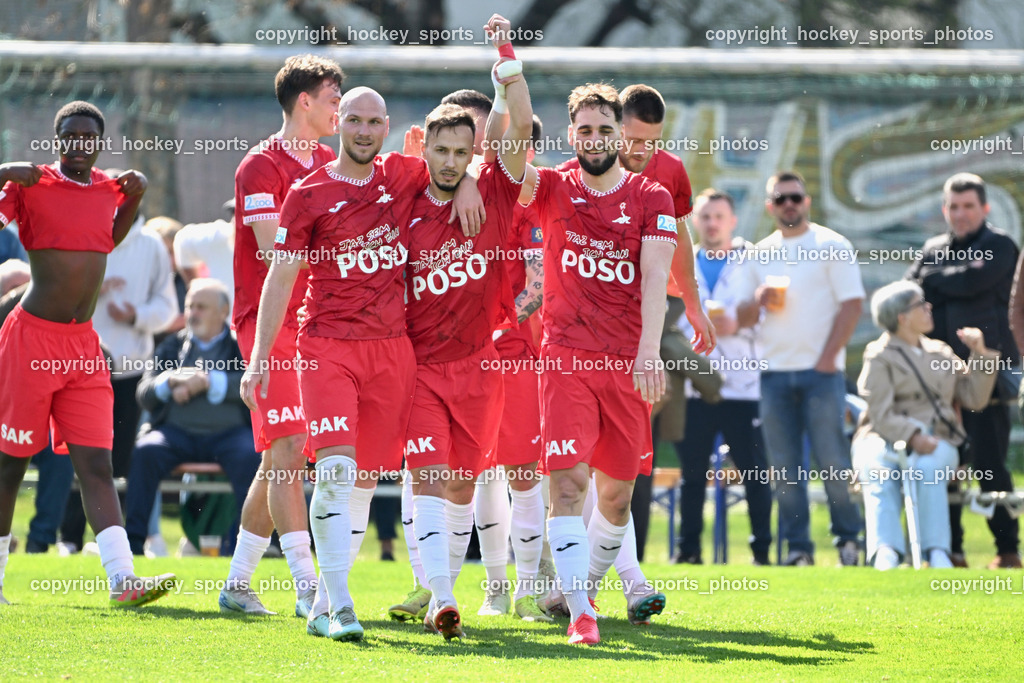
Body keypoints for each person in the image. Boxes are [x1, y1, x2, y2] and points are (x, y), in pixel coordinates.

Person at [241, 83, 483, 641]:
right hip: (327, 346)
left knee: (362, 482)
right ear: (338, 123)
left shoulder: (400, 174)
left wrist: (468, 181)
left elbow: (451, 167)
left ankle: (324, 599)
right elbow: (281, 276)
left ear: (387, 126)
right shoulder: (306, 193)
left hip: (392, 351)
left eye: (376, 122)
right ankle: (340, 607)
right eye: (355, 120)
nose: (366, 131)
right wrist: (258, 360)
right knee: (334, 472)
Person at [519, 82, 710, 645]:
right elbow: (508, 161)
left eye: (606, 130)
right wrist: (511, 77)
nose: (597, 139)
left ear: (618, 134)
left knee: (618, 494)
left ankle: (580, 587)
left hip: (626, 360)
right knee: (569, 485)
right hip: (565, 358)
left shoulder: (651, 195)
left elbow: (657, 278)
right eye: (586, 129)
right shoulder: (551, 186)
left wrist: (650, 352)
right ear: (570, 133)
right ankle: (582, 612)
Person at [0, 100, 175, 606]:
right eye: (70, 136)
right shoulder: (29, 184)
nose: (79, 144)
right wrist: (3, 172)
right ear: (58, 140)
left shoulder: (106, 188)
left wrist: (134, 201)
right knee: (10, 464)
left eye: (88, 137)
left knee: (96, 464)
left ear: (99, 142)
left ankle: (124, 581)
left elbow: (106, 240)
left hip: (83, 346)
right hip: (31, 339)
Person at [401, 16, 532, 640]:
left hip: (482, 364)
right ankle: (441, 598)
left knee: (464, 482)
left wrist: (506, 57)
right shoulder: (399, 202)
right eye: (442, 150)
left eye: (463, 152)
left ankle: (469, 587)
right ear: (422, 148)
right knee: (426, 475)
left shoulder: (496, 192)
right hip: (419, 367)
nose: (451, 161)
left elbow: (520, 126)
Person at [220, 54, 343, 617]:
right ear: (305, 102)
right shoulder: (258, 167)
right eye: (333, 99)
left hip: (318, 325)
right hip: (266, 325)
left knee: (281, 458)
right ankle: (306, 584)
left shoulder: (330, 161)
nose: (340, 110)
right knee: (289, 448)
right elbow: (277, 252)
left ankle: (238, 583)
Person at [736, 170, 864, 567]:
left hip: (822, 374)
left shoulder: (831, 244)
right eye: (781, 199)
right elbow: (740, 318)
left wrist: (828, 359)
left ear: (806, 201)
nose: (788, 204)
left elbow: (852, 304)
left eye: (795, 197)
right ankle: (798, 550)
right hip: (773, 374)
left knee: (833, 462)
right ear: (770, 206)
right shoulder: (758, 253)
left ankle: (848, 542)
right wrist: (756, 300)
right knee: (784, 470)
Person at [909, 172, 1021, 569]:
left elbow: (974, 280)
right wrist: (940, 280)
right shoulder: (933, 247)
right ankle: (950, 551)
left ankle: (1007, 552)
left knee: (990, 464)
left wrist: (936, 279)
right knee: (945, 465)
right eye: (953, 206)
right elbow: (912, 291)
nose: (960, 214)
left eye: (968, 206)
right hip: (937, 381)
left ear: (984, 208)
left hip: (985, 375)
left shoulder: (1000, 245)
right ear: (944, 209)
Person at [59, 202, 177, 555]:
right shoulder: (82, 236)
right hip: (79, 366)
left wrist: (136, 314)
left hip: (131, 370)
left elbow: (167, 308)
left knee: (120, 460)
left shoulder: (152, 246)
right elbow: (55, 291)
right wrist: (92, 289)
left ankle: (111, 542)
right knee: (76, 454)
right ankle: (68, 538)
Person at [854, 280, 997, 569]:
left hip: (938, 438)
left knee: (928, 469)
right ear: (902, 317)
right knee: (878, 469)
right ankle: (886, 552)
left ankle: (937, 552)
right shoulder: (878, 354)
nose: (929, 308)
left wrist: (979, 353)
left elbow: (974, 398)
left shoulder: (940, 352)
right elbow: (880, 413)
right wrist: (913, 435)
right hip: (883, 437)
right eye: (921, 304)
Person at [124, 279, 260, 555]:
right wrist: (170, 381)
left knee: (251, 456)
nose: (193, 313)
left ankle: (239, 550)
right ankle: (133, 545)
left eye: (202, 307)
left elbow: (254, 384)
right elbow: (144, 392)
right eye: (189, 306)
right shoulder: (171, 346)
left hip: (230, 435)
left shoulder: (242, 346)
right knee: (145, 451)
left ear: (223, 312)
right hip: (176, 434)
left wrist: (208, 381)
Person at [675, 188, 773, 565]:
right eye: (705, 216)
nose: (712, 223)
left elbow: (768, 311)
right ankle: (688, 552)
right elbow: (677, 318)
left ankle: (762, 552)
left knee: (754, 473)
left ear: (733, 221)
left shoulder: (753, 261)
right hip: (696, 388)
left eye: (719, 216)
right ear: (695, 221)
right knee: (693, 474)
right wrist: (723, 319)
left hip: (744, 387)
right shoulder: (681, 260)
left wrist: (732, 318)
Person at [175, 199, 235, 301]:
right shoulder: (219, 237)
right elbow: (183, 240)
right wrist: (200, 292)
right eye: (234, 212)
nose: (237, 219)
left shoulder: (268, 249)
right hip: (225, 316)